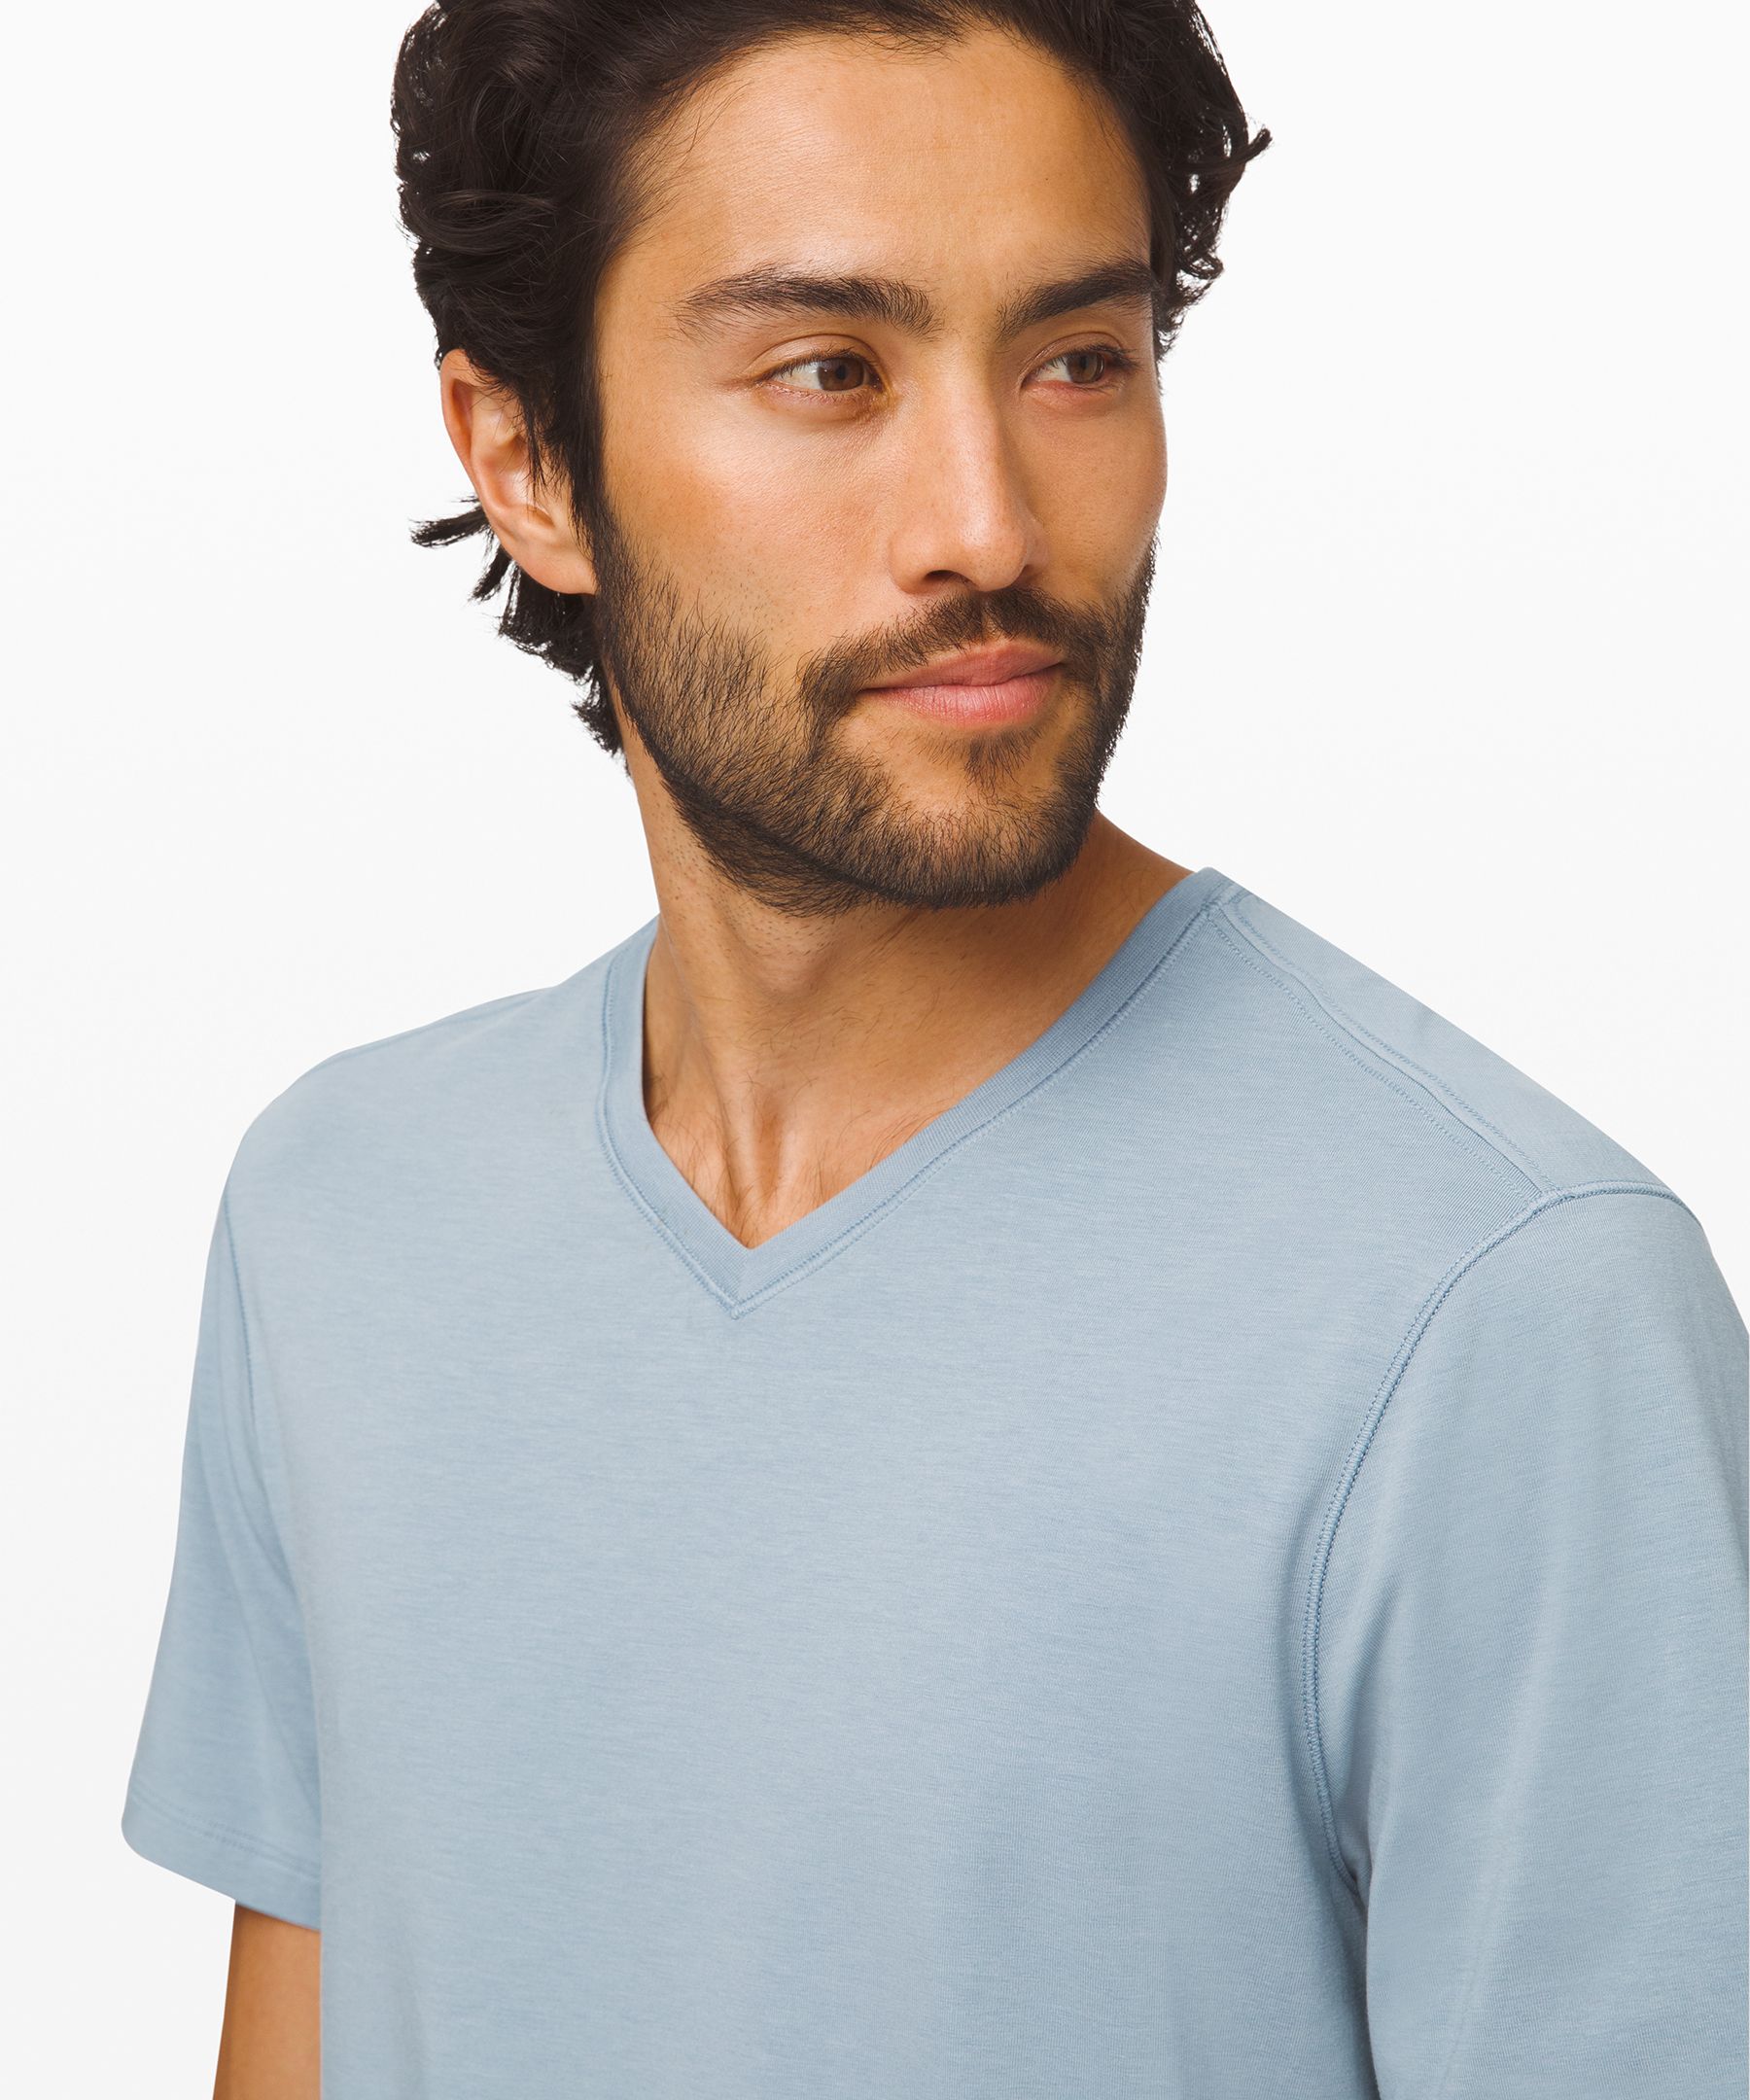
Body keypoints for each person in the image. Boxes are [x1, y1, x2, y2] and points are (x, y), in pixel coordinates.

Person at [121, 3, 1747, 2094]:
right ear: (527, 459)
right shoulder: (342, 1217)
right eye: (831, 372)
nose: (987, 522)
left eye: (1078, 360)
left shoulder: (1503, 1309)